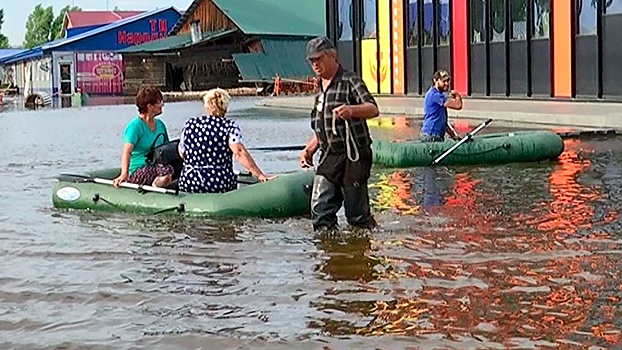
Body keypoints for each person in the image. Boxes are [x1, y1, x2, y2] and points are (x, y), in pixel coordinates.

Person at [298, 36, 379, 231]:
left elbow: (373, 108)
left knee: (355, 214)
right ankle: (329, 253)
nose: (315, 64)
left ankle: (362, 248)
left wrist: (351, 111)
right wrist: (309, 149)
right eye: (312, 61)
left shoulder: (350, 80)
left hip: (355, 154)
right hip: (330, 154)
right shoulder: (319, 89)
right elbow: (322, 127)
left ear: (332, 56)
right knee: (320, 208)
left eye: (318, 59)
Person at [177, 88, 275, 193]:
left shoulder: (190, 124)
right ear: (225, 107)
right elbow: (239, 153)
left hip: (190, 181)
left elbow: (182, 153)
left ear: (206, 106)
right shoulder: (229, 126)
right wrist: (259, 174)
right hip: (219, 182)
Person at [112, 87, 173, 188]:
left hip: (157, 165)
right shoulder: (135, 126)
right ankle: (156, 186)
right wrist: (124, 173)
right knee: (166, 171)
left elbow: (167, 148)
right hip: (139, 168)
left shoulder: (161, 125)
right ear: (150, 106)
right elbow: (127, 152)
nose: (162, 105)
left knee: (172, 168)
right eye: (159, 102)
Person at [421, 69, 463, 142]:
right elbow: (458, 105)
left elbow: (443, 122)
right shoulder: (435, 95)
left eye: (448, 81)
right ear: (435, 81)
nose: (447, 83)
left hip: (436, 135)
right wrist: (457, 96)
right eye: (443, 81)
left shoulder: (439, 96)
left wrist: (454, 135)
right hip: (431, 135)